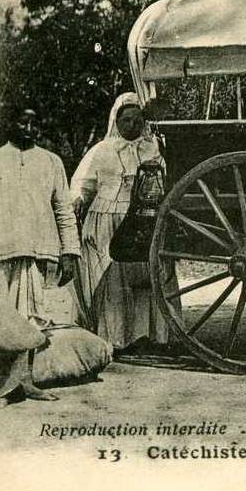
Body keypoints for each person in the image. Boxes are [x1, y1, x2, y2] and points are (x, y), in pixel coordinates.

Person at [70, 93, 179, 352]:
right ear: (116, 121)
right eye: (126, 120)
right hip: (108, 221)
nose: (132, 125)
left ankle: (151, 336)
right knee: (112, 281)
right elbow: (82, 185)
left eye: (137, 120)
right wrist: (76, 201)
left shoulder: (153, 148)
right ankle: (116, 338)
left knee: (147, 278)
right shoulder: (101, 151)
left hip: (145, 220)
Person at [0, 107, 81, 321]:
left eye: (34, 124)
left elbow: (64, 210)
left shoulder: (52, 161)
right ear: (10, 124)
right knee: (3, 322)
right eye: (23, 123)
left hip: (41, 253)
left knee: (39, 321)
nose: (29, 129)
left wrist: (70, 253)